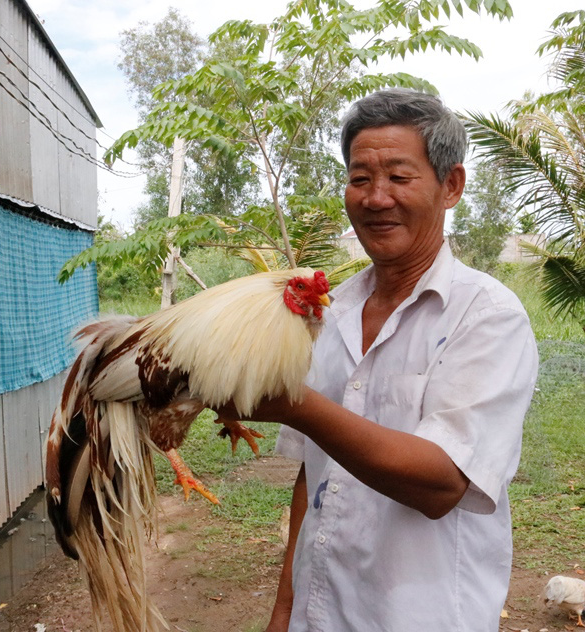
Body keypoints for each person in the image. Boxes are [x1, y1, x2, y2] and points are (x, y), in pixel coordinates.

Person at [218, 88, 539, 631]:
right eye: (360, 179)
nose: (375, 198)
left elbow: (442, 484)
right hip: (323, 612)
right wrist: (285, 608)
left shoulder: (486, 316)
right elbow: (312, 473)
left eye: (399, 176)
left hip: (421, 617)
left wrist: (296, 405)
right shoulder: (328, 311)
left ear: (451, 186)